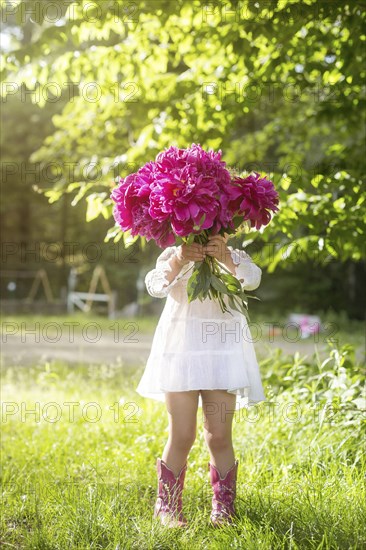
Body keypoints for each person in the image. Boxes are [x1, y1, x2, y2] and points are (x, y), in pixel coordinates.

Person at [136, 233, 265, 528]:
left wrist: (226, 258)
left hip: (221, 353)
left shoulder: (233, 256)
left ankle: (223, 506)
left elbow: (252, 279)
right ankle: (166, 506)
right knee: (182, 434)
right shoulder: (175, 254)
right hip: (181, 351)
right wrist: (180, 257)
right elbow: (156, 286)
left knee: (218, 435)